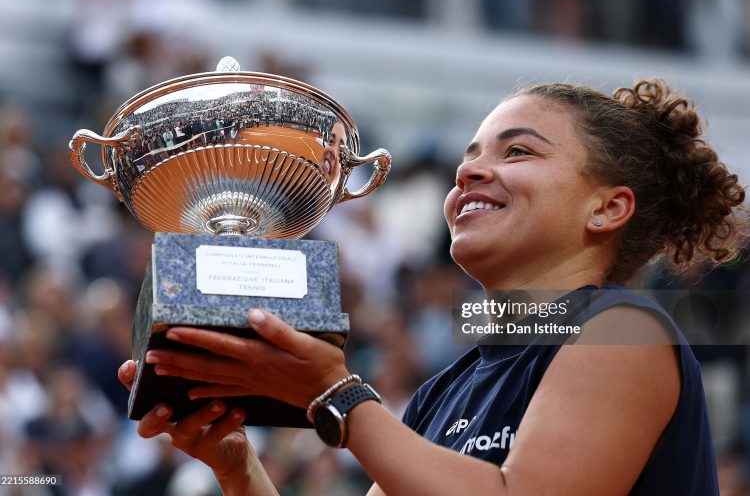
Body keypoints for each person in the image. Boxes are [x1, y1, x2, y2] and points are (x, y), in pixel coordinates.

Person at [119, 79, 746, 495]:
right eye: (470, 155)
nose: (470, 169)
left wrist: (335, 395)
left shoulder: (624, 329)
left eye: (519, 152)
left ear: (607, 209)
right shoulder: (443, 391)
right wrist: (238, 467)